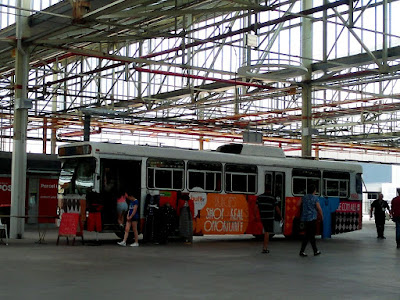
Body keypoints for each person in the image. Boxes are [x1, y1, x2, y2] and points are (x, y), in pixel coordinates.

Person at [298, 184, 323, 257]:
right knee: (310, 235)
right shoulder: (315, 198)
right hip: (312, 218)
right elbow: (319, 208)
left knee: (308, 235)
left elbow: (298, 204)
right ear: (314, 191)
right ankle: (312, 251)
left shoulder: (304, 197)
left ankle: (313, 250)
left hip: (305, 219)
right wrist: (322, 216)